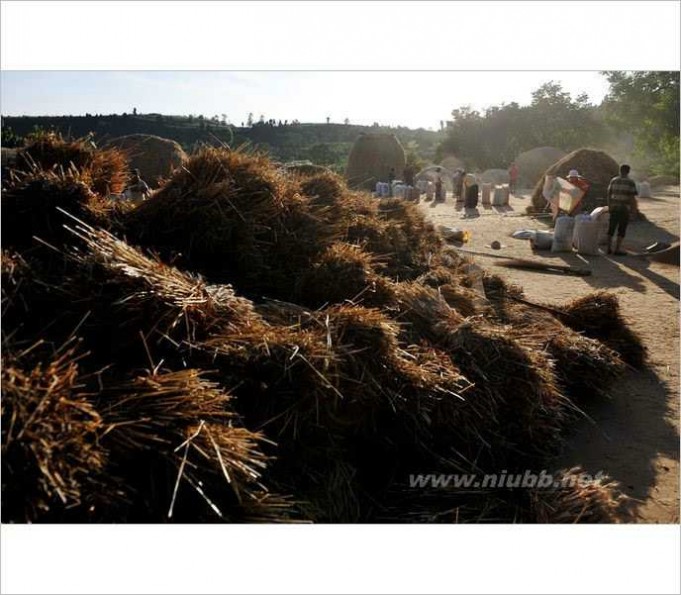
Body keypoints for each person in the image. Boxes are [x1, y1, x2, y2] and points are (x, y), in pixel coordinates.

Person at [606, 164, 638, 255]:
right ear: (628, 172)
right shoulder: (630, 182)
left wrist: (610, 206)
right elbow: (632, 198)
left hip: (614, 208)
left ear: (620, 171)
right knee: (621, 229)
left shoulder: (613, 180)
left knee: (611, 228)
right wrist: (633, 211)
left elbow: (608, 194)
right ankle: (617, 249)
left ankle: (608, 248)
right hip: (624, 209)